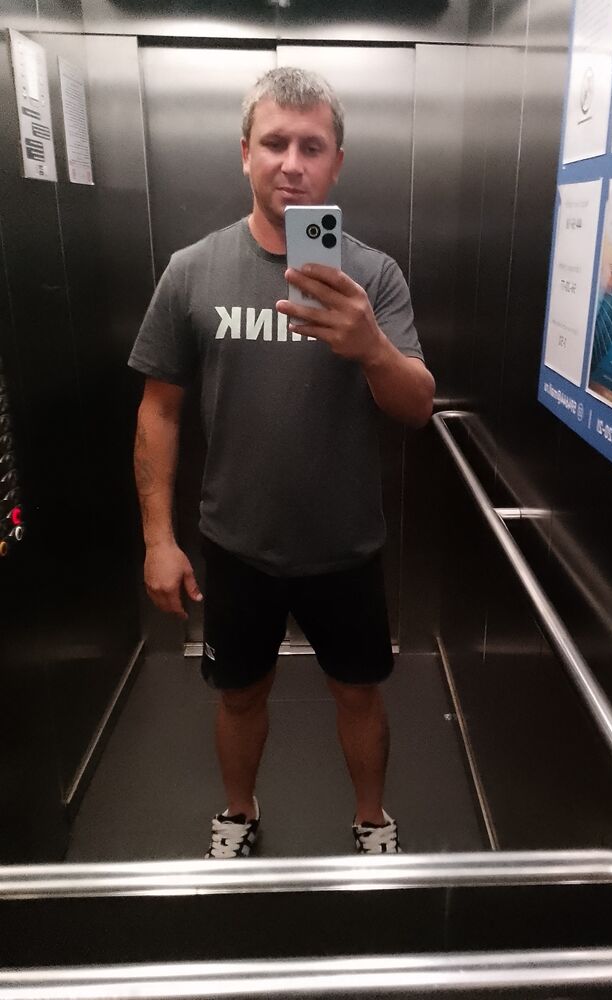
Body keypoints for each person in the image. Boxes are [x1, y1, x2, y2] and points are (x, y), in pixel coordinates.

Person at [128, 67, 434, 859]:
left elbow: (417, 405)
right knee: (239, 695)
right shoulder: (192, 270)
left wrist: (370, 347)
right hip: (238, 544)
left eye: (312, 146)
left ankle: (372, 820)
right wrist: (158, 538)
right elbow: (159, 410)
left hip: (345, 546)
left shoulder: (373, 276)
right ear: (244, 154)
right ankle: (239, 814)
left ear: (337, 162)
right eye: (274, 143)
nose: (291, 163)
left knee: (358, 693)